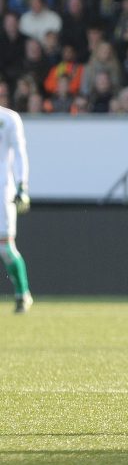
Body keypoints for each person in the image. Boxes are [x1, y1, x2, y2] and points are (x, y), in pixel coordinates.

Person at [0, 104, 31, 312]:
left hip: (2, 190)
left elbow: (20, 153)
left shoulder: (9, 119)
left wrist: (22, 186)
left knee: (5, 247)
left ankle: (23, 294)